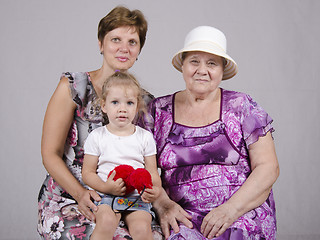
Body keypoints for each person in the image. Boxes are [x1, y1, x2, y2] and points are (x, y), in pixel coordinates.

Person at [37, 6, 163, 239]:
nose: (124, 48)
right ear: (100, 43)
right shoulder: (74, 87)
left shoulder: (144, 103)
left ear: (139, 50)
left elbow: (149, 163)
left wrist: (156, 196)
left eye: (132, 42)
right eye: (116, 39)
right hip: (71, 196)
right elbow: (50, 153)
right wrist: (80, 193)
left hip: (129, 201)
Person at [145, 26, 280, 239]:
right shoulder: (157, 111)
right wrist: (162, 203)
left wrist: (230, 210)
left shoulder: (242, 106)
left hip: (239, 212)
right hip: (181, 215)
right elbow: (144, 168)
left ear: (221, 70)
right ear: (183, 65)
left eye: (211, 63)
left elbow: (268, 167)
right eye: (194, 61)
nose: (202, 70)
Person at [82, 72, 162, 240]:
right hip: (107, 196)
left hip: (136, 197)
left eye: (130, 103)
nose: (122, 109)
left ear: (137, 106)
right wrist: (106, 188)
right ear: (104, 106)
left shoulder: (144, 137)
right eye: (115, 102)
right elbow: (87, 173)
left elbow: (153, 172)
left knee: (142, 228)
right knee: (106, 221)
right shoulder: (97, 136)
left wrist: (154, 189)